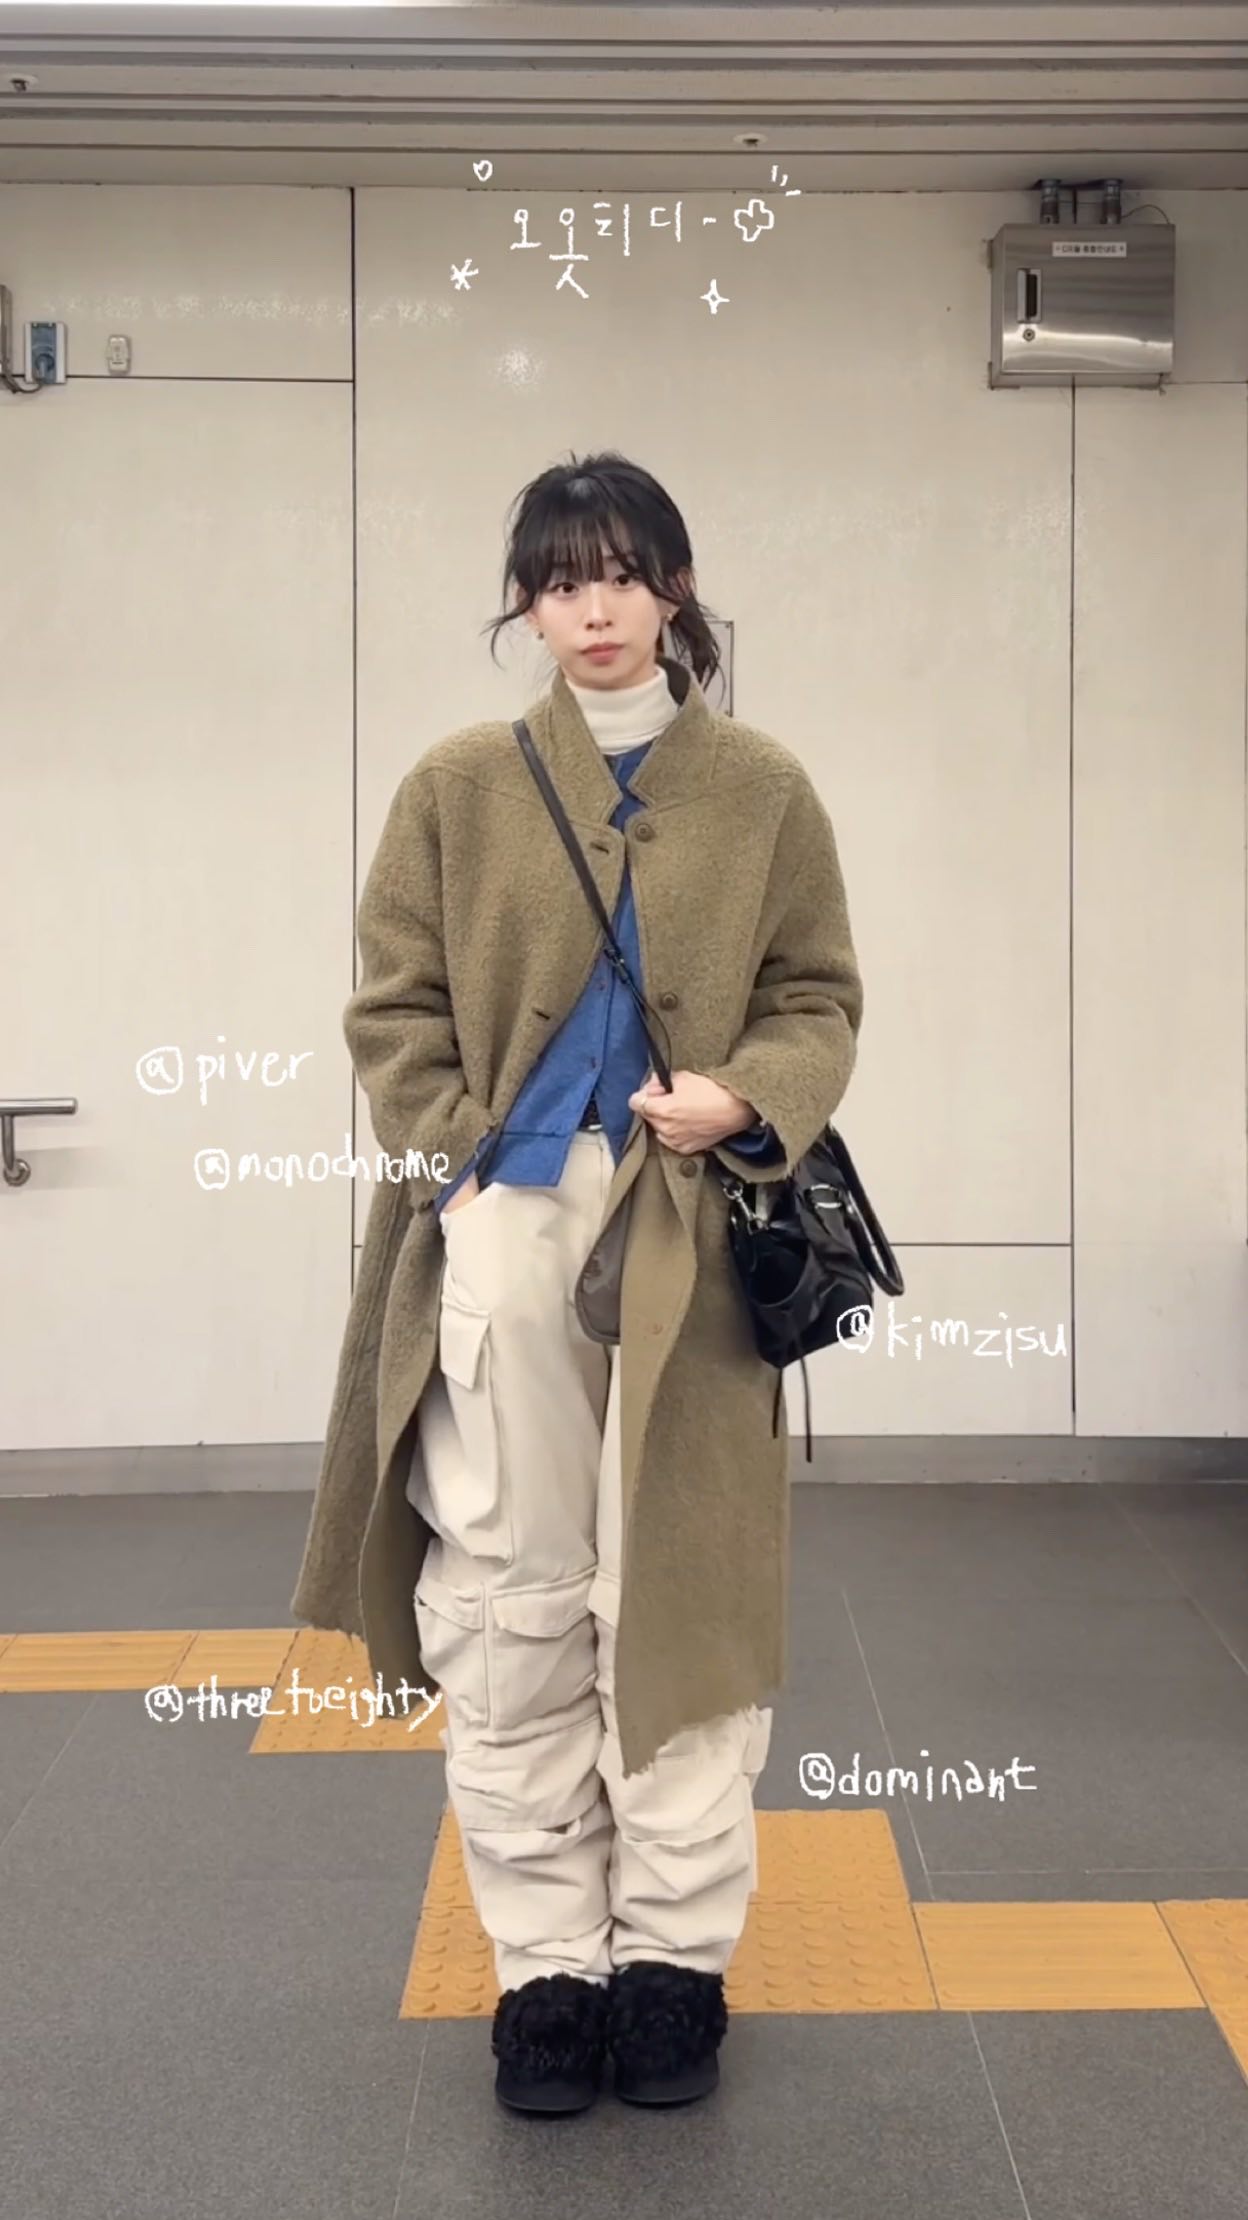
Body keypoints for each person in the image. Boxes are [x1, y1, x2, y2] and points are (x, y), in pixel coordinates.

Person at [290, 449, 863, 2119]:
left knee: (678, 1589)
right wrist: (457, 1147)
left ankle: (674, 1960)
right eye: (560, 581)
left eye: (621, 573)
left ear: (673, 588)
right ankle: (549, 1969)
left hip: (692, 1230)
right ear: (527, 607)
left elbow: (818, 993)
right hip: (504, 1227)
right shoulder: (461, 786)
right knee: (509, 1596)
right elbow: (392, 1006)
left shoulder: (761, 789)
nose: (594, 608)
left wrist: (748, 1093)